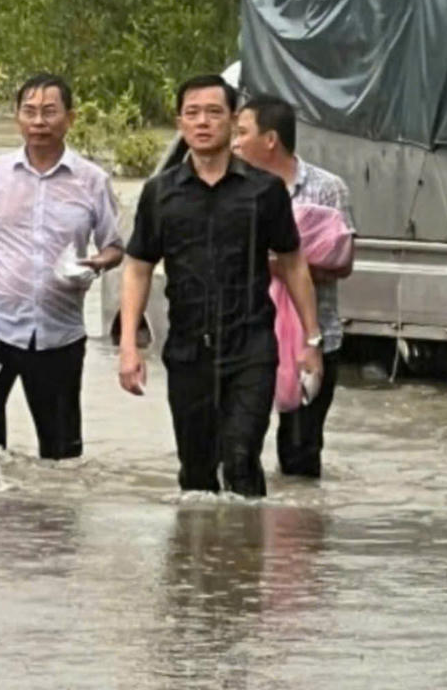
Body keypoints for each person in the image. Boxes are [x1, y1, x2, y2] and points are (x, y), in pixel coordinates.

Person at [118, 74, 323, 498]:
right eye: (192, 114)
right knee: (196, 473)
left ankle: (244, 556)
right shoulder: (160, 193)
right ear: (179, 123)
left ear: (232, 122)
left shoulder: (264, 191)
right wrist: (128, 346)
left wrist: (311, 340)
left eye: (214, 112)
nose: (203, 122)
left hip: (251, 345)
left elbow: (292, 262)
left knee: (241, 456)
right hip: (188, 347)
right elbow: (138, 266)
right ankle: (199, 558)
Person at [0, 74, 123, 461]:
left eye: (50, 112)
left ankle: (55, 521)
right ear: (17, 118)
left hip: (59, 333)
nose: (39, 122)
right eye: (29, 112)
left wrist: (97, 263)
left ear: (70, 118)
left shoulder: (92, 180)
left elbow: (115, 246)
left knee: (62, 454)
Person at [234, 95, 354, 480]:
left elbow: (343, 263)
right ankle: (245, 535)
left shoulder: (327, 189)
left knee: (301, 452)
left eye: (241, 133)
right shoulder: (233, 188)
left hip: (313, 340)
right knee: (238, 445)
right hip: (248, 335)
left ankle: (302, 533)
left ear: (270, 140)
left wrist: (285, 264)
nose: (234, 143)